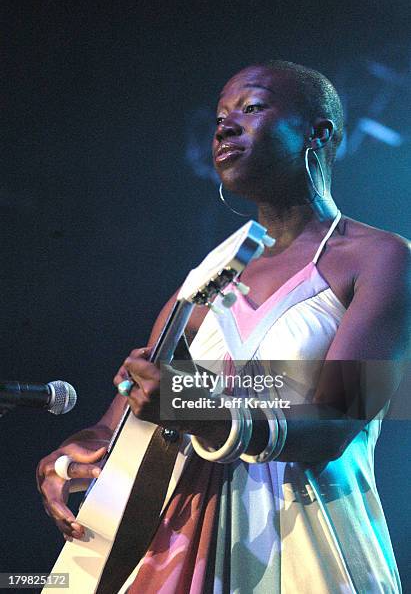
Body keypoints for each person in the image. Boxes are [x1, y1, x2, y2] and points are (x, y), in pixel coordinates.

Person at [37, 61, 410, 593]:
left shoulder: (379, 257)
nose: (224, 126)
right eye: (219, 117)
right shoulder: (208, 276)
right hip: (176, 544)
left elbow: (337, 416)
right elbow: (121, 422)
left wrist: (193, 405)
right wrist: (70, 458)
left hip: (301, 546)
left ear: (318, 132)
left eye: (252, 108)